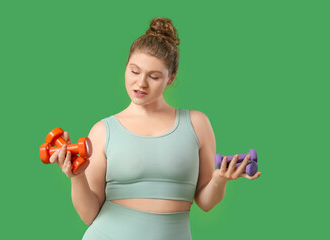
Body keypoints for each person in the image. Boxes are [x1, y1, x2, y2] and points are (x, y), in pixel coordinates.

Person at [49, 17, 262, 240]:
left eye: (154, 76)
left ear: (171, 78)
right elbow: (88, 214)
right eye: (134, 71)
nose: (141, 83)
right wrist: (77, 177)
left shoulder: (197, 124)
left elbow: (206, 202)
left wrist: (220, 179)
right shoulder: (103, 130)